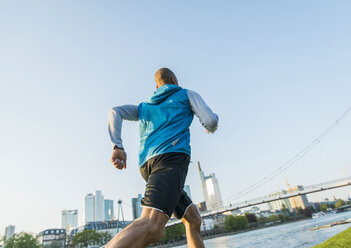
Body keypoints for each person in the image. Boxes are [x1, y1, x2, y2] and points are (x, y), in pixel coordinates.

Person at [107, 68, 219, 248]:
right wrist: (210, 127)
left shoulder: (144, 107)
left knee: (193, 220)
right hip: (170, 161)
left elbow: (115, 112)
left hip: (148, 166)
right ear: (174, 80)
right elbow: (211, 121)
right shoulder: (185, 94)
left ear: (157, 86)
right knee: (152, 225)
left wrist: (117, 145)